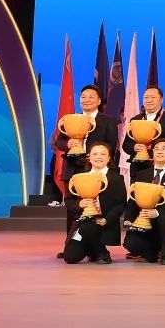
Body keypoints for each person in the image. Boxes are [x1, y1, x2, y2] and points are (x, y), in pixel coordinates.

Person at [52, 85, 119, 242]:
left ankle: (97, 246)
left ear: (99, 101)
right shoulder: (71, 119)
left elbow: (111, 145)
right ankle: (71, 243)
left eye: (91, 97)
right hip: (72, 168)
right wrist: (68, 143)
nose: (87, 100)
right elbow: (59, 141)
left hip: (95, 171)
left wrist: (94, 156)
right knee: (73, 208)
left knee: (96, 207)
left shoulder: (108, 121)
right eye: (83, 97)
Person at [62, 142, 126, 264]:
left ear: (109, 158)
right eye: (95, 154)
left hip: (103, 222)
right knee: (70, 257)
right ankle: (93, 250)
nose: (98, 157)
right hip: (82, 221)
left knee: (89, 226)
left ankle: (102, 252)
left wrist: (106, 219)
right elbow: (69, 201)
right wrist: (79, 204)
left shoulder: (116, 178)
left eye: (103, 154)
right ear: (89, 157)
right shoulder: (80, 176)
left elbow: (121, 204)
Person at [122, 138, 165, 265]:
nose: (159, 151)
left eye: (164, 148)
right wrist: (128, 218)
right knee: (130, 243)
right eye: (156, 149)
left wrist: (157, 212)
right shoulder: (142, 174)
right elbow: (133, 199)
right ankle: (152, 252)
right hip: (144, 219)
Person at [121, 85, 165, 171]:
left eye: (153, 97)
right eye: (146, 97)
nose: (149, 100)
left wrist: (156, 151)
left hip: (160, 167)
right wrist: (134, 147)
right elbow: (126, 144)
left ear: (161, 100)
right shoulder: (135, 119)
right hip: (138, 167)